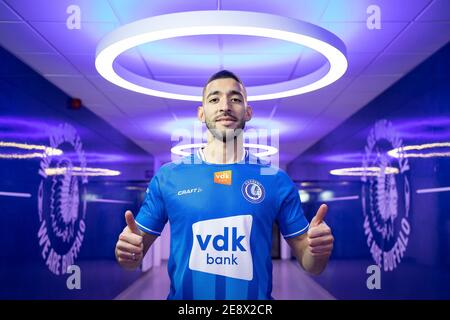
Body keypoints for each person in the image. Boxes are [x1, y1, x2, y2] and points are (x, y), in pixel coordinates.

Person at [114, 70, 334, 299]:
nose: (225, 106)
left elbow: (312, 265)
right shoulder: (168, 177)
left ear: (248, 112)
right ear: (201, 113)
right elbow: (132, 261)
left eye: (235, 98)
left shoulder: (276, 180)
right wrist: (126, 253)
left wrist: (318, 251)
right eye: (214, 99)